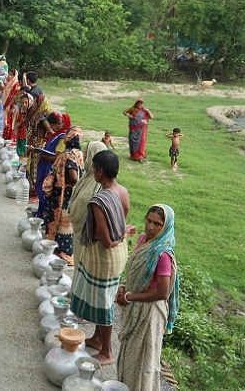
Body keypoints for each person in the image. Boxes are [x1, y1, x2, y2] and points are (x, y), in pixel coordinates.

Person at [70, 150, 134, 365]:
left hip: (104, 256)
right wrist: (123, 234)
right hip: (119, 253)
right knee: (101, 298)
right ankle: (97, 339)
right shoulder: (122, 191)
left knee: (104, 301)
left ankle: (107, 351)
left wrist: (122, 234)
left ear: (99, 172)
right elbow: (119, 223)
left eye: (94, 169)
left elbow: (107, 240)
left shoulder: (99, 201)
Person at [116, 204, 180, 391]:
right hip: (135, 304)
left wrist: (130, 296)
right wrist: (124, 286)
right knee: (130, 357)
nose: (151, 227)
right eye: (149, 221)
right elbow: (134, 269)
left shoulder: (163, 254)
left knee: (144, 363)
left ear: (166, 226)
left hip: (150, 314)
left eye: (157, 224)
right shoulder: (144, 240)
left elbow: (161, 292)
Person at [42, 127, 84, 265]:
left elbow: (72, 175)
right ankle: (67, 252)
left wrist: (73, 183)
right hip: (72, 195)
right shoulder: (79, 153)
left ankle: (60, 253)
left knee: (61, 224)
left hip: (62, 195)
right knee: (68, 226)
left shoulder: (68, 155)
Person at [67, 141, 108, 267]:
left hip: (89, 239)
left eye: (86, 154)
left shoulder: (100, 183)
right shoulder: (86, 177)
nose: (84, 157)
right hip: (78, 234)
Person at [35, 112, 71, 219]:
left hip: (51, 172)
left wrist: (43, 155)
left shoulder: (62, 139)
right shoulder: (56, 136)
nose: (50, 127)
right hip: (46, 169)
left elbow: (58, 158)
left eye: (53, 124)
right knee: (43, 196)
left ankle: (45, 224)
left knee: (46, 196)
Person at [24, 83, 53, 201]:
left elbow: (50, 131)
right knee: (31, 169)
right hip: (34, 145)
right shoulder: (38, 115)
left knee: (36, 170)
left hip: (38, 146)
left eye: (36, 102)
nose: (34, 103)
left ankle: (36, 194)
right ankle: (33, 190)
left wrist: (43, 143)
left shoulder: (43, 117)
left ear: (41, 104)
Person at [1, 68, 21, 140]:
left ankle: (10, 139)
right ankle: (6, 137)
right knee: (6, 121)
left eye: (11, 75)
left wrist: (13, 107)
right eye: (9, 74)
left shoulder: (16, 85)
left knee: (10, 122)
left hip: (12, 107)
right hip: (7, 105)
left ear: (14, 76)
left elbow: (16, 98)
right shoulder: (8, 83)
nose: (9, 76)